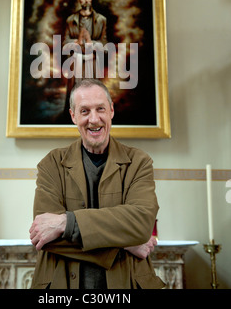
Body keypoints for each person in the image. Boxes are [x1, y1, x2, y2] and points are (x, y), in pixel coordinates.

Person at [29, 79, 164, 289]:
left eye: (100, 109)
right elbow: (46, 236)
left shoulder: (139, 162)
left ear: (111, 110)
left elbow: (142, 224)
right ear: (73, 116)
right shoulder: (51, 164)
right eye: (84, 111)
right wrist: (126, 243)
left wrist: (66, 223)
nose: (94, 119)